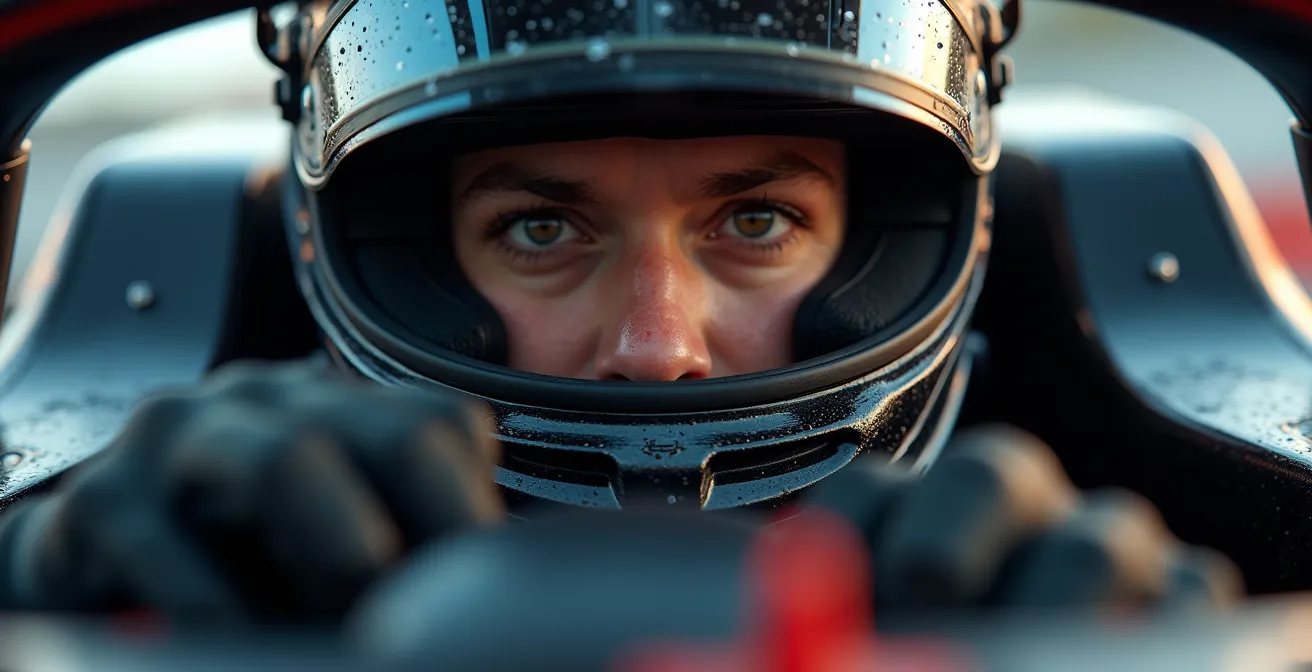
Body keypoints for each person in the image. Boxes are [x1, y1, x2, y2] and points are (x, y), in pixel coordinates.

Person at [0, 0, 1240, 622]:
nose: (658, 353)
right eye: (540, 229)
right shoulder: (174, 533)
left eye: (754, 223)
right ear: (396, 256)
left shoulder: (1145, 525)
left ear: (891, 239)